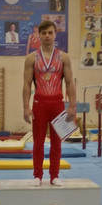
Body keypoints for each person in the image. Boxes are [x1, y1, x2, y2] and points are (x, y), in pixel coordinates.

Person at [22, 20, 76, 186]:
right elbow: (27, 84)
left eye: (50, 33)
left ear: (55, 34)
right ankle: (37, 175)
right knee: (38, 142)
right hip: (40, 103)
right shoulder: (31, 58)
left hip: (57, 103)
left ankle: (54, 175)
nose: (47, 36)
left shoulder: (63, 57)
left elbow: (69, 83)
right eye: (44, 33)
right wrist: (26, 107)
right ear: (39, 35)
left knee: (56, 142)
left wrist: (72, 106)